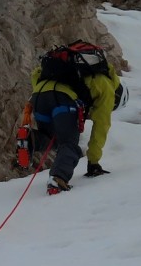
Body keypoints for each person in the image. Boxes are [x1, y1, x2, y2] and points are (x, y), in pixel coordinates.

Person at [29, 42, 123, 194]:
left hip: (39, 96)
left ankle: (32, 138)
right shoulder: (107, 88)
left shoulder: (79, 70)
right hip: (62, 100)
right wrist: (93, 161)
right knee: (70, 145)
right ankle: (58, 179)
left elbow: (36, 74)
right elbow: (101, 126)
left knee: (54, 139)